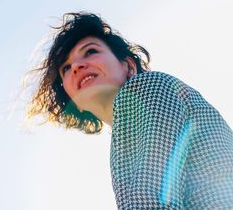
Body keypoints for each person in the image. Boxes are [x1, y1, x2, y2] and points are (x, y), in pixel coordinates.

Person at [27, 12, 233, 209]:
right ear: (76, 103)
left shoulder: (144, 88)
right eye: (66, 68)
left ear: (128, 67)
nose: (76, 66)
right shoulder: (128, 131)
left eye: (90, 51)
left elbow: (152, 203)